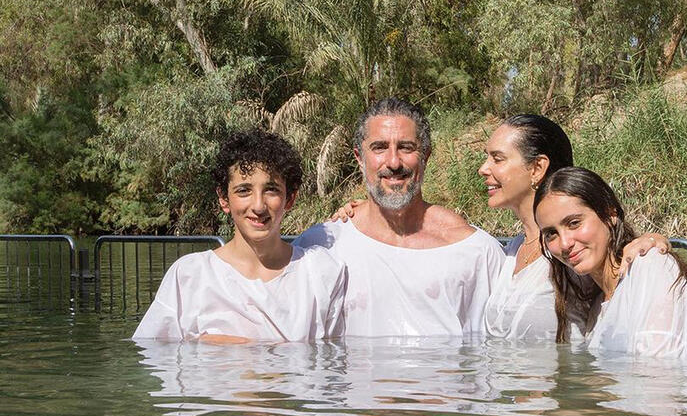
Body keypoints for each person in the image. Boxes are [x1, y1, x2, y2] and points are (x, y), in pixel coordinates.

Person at [293, 98, 505, 337]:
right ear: (359, 158)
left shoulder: (476, 252)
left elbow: (498, 354)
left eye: (406, 147)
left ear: (425, 155)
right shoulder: (322, 247)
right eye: (379, 147)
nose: (393, 162)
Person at [133, 129, 345, 342]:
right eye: (244, 191)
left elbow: (336, 361)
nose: (258, 206)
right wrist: (200, 346)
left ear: (290, 199)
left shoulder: (321, 272)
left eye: (271, 190)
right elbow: (153, 352)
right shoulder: (190, 275)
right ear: (224, 199)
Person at [477, 115, 669, 340]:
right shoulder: (513, 250)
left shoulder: (573, 249)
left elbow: (622, 275)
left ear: (537, 168)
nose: (483, 169)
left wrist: (653, 241)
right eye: (487, 158)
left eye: (497, 159)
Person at [534, 167, 687, 360]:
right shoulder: (597, 305)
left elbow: (659, 372)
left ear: (610, 214)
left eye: (574, 223)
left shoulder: (650, 265)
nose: (564, 243)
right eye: (551, 234)